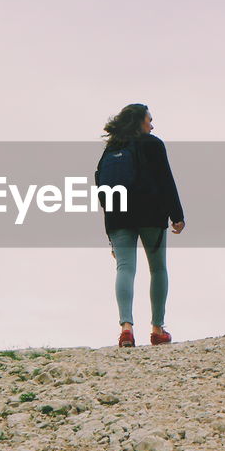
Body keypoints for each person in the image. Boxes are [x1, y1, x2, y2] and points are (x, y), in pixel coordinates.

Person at [96, 103, 185, 347]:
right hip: (150, 213)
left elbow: (103, 191)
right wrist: (177, 214)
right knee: (157, 269)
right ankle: (157, 329)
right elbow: (166, 179)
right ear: (139, 122)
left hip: (118, 216)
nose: (152, 125)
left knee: (125, 268)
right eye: (149, 120)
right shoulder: (153, 144)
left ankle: (126, 328)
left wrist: (109, 234)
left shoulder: (111, 149)